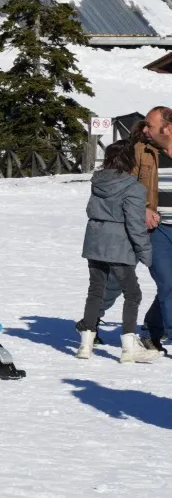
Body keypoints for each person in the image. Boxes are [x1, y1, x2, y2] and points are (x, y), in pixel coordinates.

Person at [76, 138, 154, 361]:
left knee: (95, 291)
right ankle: (129, 347)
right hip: (119, 244)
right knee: (133, 294)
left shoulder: (97, 181)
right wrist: (145, 252)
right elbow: (136, 224)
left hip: (94, 240)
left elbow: (90, 208)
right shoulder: (134, 187)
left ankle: (85, 345)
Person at [133, 109, 172, 354]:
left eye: (150, 125)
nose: (145, 129)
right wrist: (144, 208)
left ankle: (151, 329)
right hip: (157, 231)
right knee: (168, 283)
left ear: (167, 129)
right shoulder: (142, 152)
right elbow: (124, 186)